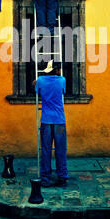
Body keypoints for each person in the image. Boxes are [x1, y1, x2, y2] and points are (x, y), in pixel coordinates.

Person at [33, 59, 69, 187]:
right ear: (58, 70)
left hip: (46, 121)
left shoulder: (41, 80)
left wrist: (35, 84)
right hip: (59, 121)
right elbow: (63, 92)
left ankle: (45, 178)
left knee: (46, 150)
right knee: (61, 149)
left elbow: (37, 90)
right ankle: (62, 176)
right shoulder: (62, 80)